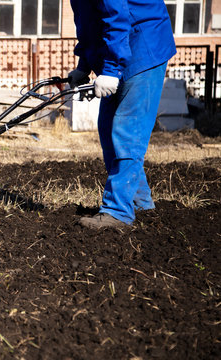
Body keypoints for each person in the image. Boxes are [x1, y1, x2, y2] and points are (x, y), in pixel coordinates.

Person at [68, 0, 176, 229]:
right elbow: (88, 22)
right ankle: (139, 204)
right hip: (119, 49)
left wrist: (111, 70)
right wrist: (84, 65)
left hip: (142, 45)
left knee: (127, 131)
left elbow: (117, 18)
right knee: (108, 130)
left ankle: (118, 211)